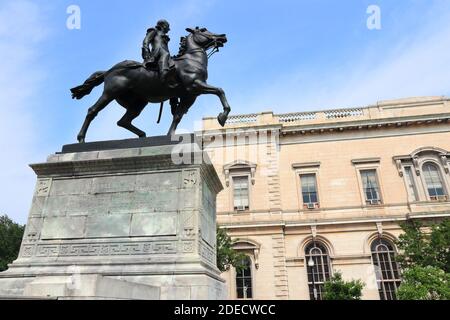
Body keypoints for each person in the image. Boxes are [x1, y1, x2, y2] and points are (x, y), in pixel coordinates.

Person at [142, 19, 176, 86]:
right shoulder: (154, 31)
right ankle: (164, 77)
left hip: (165, 53)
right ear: (163, 26)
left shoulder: (164, 35)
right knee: (165, 54)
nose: (169, 29)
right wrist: (146, 50)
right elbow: (146, 40)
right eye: (168, 26)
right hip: (157, 52)